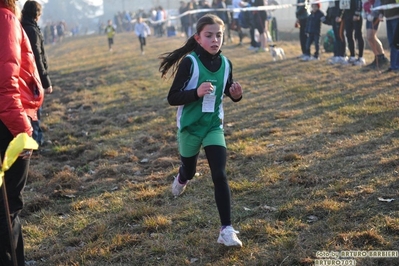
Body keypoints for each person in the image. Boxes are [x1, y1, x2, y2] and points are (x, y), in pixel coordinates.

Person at [159, 14, 243, 247]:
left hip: (213, 126)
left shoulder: (226, 63)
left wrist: (236, 95)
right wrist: (195, 92)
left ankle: (226, 229)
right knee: (190, 169)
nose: (215, 40)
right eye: (209, 36)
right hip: (190, 128)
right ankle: (182, 177)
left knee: (220, 174)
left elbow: (227, 89)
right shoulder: (190, 62)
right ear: (198, 38)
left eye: (219, 35)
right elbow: (172, 97)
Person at [0, 0, 44, 265]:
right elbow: (5, 85)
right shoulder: (5, 18)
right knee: (7, 206)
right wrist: (23, 131)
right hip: (8, 123)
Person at [21, 0, 53, 147]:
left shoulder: (20, 27)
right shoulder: (32, 31)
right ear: (36, 14)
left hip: (22, 77)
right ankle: (36, 141)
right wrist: (46, 81)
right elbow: (37, 57)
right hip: (33, 78)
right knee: (34, 109)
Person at [337, 0, 365, 66]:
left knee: (358, 35)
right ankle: (352, 56)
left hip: (356, 15)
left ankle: (361, 57)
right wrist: (339, 15)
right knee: (349, 35)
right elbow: (342, 5)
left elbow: (358, 2)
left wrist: (357, 13)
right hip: (347, 16)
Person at [363, 0, 389, 69]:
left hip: (375, 16)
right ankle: (377, 57)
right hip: (369, 16)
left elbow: (379, 4)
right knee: (369, 37)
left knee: (371, 36)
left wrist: (377, 14)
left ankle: (382, 56)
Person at [378, 0, 399, 72]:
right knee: (391, 43)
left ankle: (396, 65)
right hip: (388, 19)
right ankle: (393, 65)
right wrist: (381, 13)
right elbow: (382, 3)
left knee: (396, 43)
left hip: (396, 18)